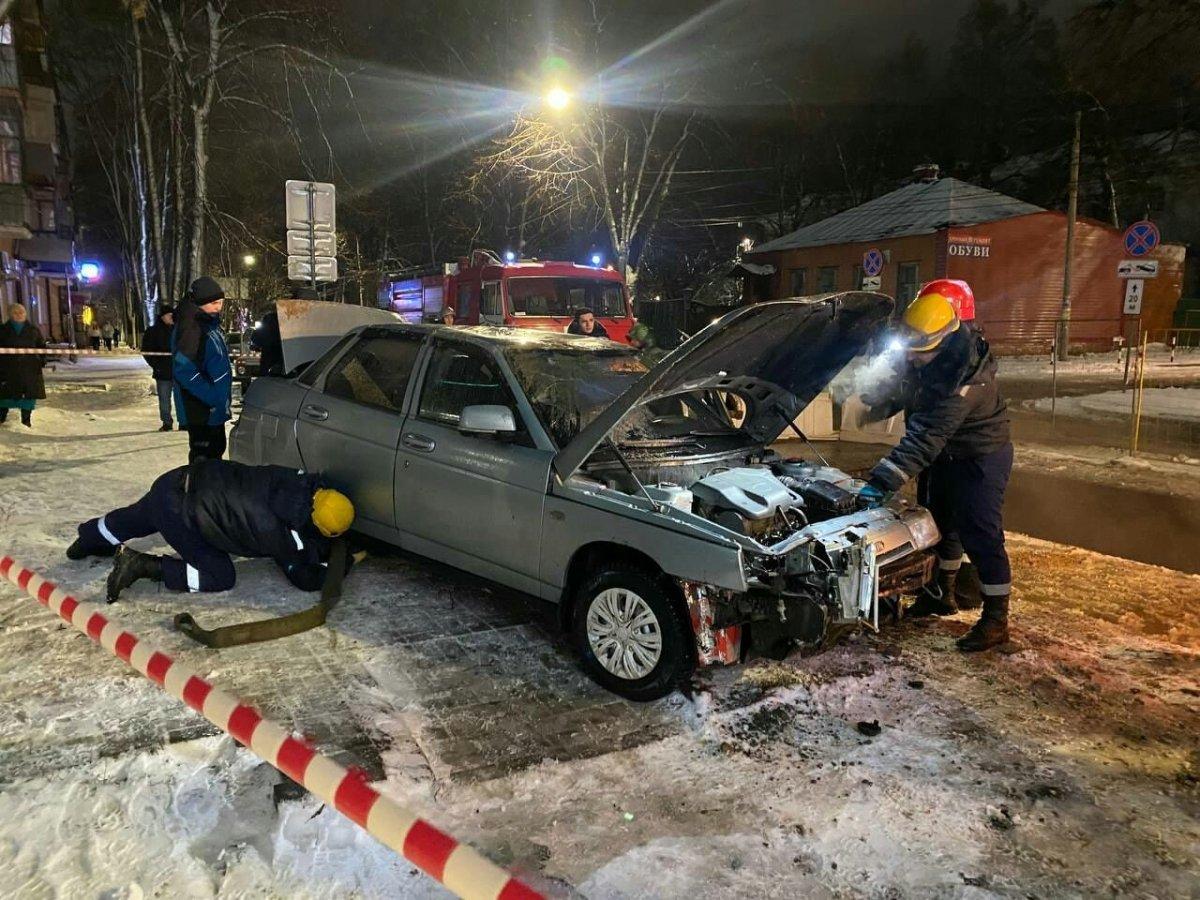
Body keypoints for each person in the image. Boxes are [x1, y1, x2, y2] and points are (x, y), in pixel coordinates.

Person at [860, 291, 1013, 652]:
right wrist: (879, 402)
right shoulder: (933, 358)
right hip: (947, 454)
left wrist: (881, 482)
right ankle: (940, 594)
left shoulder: (964, 378)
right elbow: (910, 391)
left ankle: (996, 620)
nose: (911, 356)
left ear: (943, 342)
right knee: (940, 524)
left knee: (981, 534)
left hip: (980, 457)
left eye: (919, 350)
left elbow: (925, 437)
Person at [67, 459, 356, 602]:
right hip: (184, 515)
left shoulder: (292, 478)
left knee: (139, 516)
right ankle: (142, 565)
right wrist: (340, 568)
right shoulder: (280, 534)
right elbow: (303, 577)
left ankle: (88, 537)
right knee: (220, 576)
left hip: (177, 480)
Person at [173, 276, 233, 462]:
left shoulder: (208, 325)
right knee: (204, 462)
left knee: (214, 455)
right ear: (200, 303)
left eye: (221, 302)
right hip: (201, 411)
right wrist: (212, 397)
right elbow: (183, 370)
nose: (218, 307)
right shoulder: (192, 328)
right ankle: (200, 491)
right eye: (214, 303)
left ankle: (211, 490)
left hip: (212, 410)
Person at [0, 303, 46, 428]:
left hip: (29, 368)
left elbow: (41, 346)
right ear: (10, 315)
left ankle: (26, 421)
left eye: (22, 312)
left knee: (28, 396)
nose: (19, 315)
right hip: (8, 369)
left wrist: (41, 361)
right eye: (16, 312)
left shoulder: (33, 330)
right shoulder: (3, 330)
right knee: (5, 396)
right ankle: (2, 418)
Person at [142, 305, 178, 432]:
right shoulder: (153, 332)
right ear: (163, 316)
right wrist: (156, 365)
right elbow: (146, 351)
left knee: (181, 399)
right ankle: (167, 422)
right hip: (162, 372)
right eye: (170, 315)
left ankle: (184, 422)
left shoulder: (178, 330)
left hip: (179, 371)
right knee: (164, 399)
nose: (173, 318)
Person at [250, 309, 284, 377]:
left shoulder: (268, 323)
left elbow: (254, 338)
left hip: (268, 363)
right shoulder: (283, 326)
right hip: (281, 363)